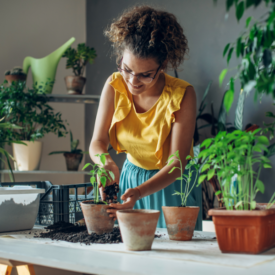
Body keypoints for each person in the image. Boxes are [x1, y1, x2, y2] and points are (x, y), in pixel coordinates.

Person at [89, 5, 202, 230]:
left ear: (163, 66)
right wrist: (107, 162)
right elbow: (98, 143)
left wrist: (141, 192)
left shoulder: (182, 95)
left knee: (174, 259)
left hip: (171, 187)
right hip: (130, 180)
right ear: (121, 58)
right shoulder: (114, 86)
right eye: (127, 69)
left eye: (145, 75)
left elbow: (177, 164)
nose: (132, 81)